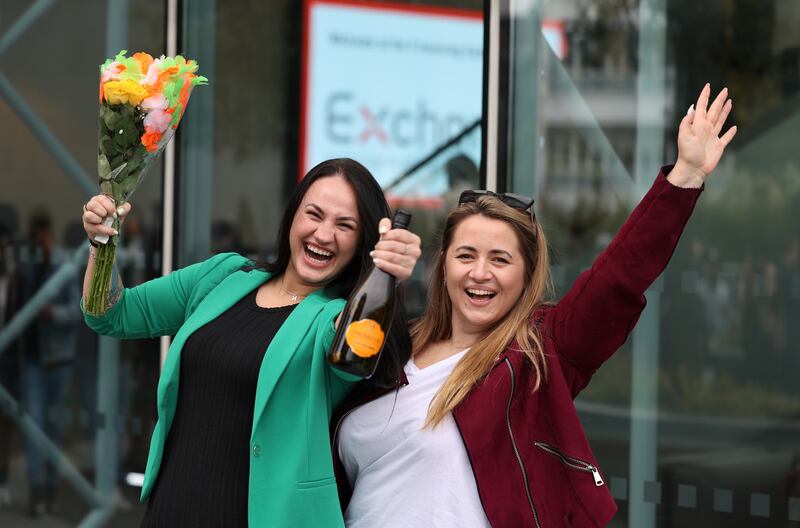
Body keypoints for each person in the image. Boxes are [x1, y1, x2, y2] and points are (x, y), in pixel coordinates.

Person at [333, 84, 737, 527]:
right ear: (443, 264)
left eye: (500, 259)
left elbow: (618, 279)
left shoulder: (538, 355)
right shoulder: (395, 344)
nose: (479, 273)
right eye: (466, 255)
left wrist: (684, 178)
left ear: (526, 276)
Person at [81, 158, 422, 527]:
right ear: (292, 216)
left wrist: (386, 274)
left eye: (345, 225)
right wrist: (102, 241)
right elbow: (110, 313)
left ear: (361, 244)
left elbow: (356, 354)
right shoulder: (223, 275)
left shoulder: (333, 320)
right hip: (172, 509)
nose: (324, 235)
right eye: (314, 214)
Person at [19, 209, 81, 517]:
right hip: (32, 357)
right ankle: (37, 489)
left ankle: (51, 488)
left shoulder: (63, 265)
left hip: (57, 358)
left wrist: (52, 314)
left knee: (53, 428)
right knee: (34, 426)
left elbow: (77, 310)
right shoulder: (27, 264)